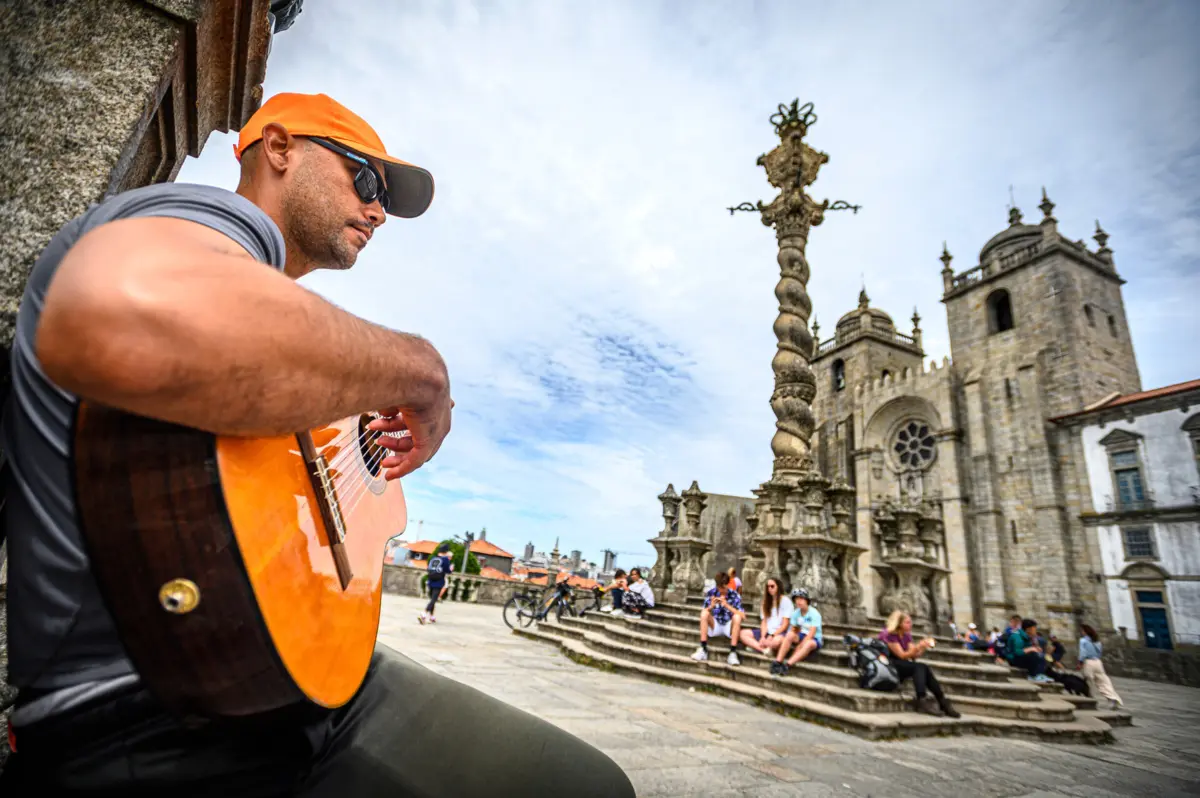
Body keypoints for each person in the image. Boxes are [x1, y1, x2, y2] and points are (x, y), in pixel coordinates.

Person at [0, 91, 633, 797]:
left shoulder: (269, 312)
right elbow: (120, 311)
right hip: (147, 717)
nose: (378, 212)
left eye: (386, 200)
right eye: (366, 180)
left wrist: (359, 447)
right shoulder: (209, 221)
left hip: (282, 679)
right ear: (277, 149)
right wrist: (420, 370)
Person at [879, 611, 961, 718]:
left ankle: (941, 700)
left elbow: (913, 655)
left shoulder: (906, 635)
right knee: (920, 667)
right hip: (889, 665)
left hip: (902, 664)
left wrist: (923, 646)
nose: (910, 624)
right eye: (907, 622)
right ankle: (923, 699)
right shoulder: (890, 635)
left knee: (923, 667)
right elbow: (902, 655)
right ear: (899, 624)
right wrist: (918, 646)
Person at [691, 571, 745, 665]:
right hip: (715, 625)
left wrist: (727, 605)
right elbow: (704, 610)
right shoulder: (712, 593)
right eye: (719, 587)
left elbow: (743, 615)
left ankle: (732, 652)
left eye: (723, 587)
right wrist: (711, 607)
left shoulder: (734, 595)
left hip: (729, 626)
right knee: (704, 613)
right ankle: (703, 648)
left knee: (737, 617)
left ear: (728, 585)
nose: (721, 591)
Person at [771, 588, 822, 676]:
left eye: (801, 599)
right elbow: (794, 629)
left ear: (806, 600)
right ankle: (778, 662)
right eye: (797, 599)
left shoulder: (814, 613)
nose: (799, 601)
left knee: (808, 643)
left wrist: (800, 646)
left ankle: (787, 665)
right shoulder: (795, 613)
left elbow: (812, 633)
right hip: (801, 635)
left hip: (814, 638)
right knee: (790, 634)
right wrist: (787, 639)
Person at [741, 576, 792, 657]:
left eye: (772, 586)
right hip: (767, 632)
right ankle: (763, 649)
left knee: (777, 641)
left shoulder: (786, 601)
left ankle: (757, 646)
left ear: (778, 587)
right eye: (768, 586)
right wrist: (763, 636)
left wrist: (772, 636)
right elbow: (764, 622)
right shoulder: (766, 602)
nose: (770, 588)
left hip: (779, 633)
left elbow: (785, 625)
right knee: (743, 633)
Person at [1079, 624, 1123, 710]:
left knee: (1089, 683)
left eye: (1082, 631)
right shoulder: (1097, 641)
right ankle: (1112, 699)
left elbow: (1083, 653)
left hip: (1088, 662)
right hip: (1098, 662)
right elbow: (1099, 653)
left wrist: (1080, 662)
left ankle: (1090, 701)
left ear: (1085, 631)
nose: (1081, 632)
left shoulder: (1083, 641)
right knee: (1104, 682)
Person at [1006, 618, 1052, 683]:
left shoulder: (1028, 636)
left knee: (1042, 655)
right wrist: (1031, 649)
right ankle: (1033, 676)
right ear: (1028, 629)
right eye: (1034, 628)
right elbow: (1018, 652)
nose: (1036, 630)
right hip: (1014, 660)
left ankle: (1040, 674)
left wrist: (1036, 647)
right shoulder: (1017, 637)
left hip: (1022, 658)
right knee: (1034, 654)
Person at [418, 544, 454, 624]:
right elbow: (447, 571)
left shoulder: (433, 559)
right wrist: (451, 569)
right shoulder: (445, 560)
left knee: (432, 599)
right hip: (439, 581)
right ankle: (424, 613)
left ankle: (431, 616)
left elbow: (428, 568)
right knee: (434, 599)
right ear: (446, 552)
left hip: (431, 580)